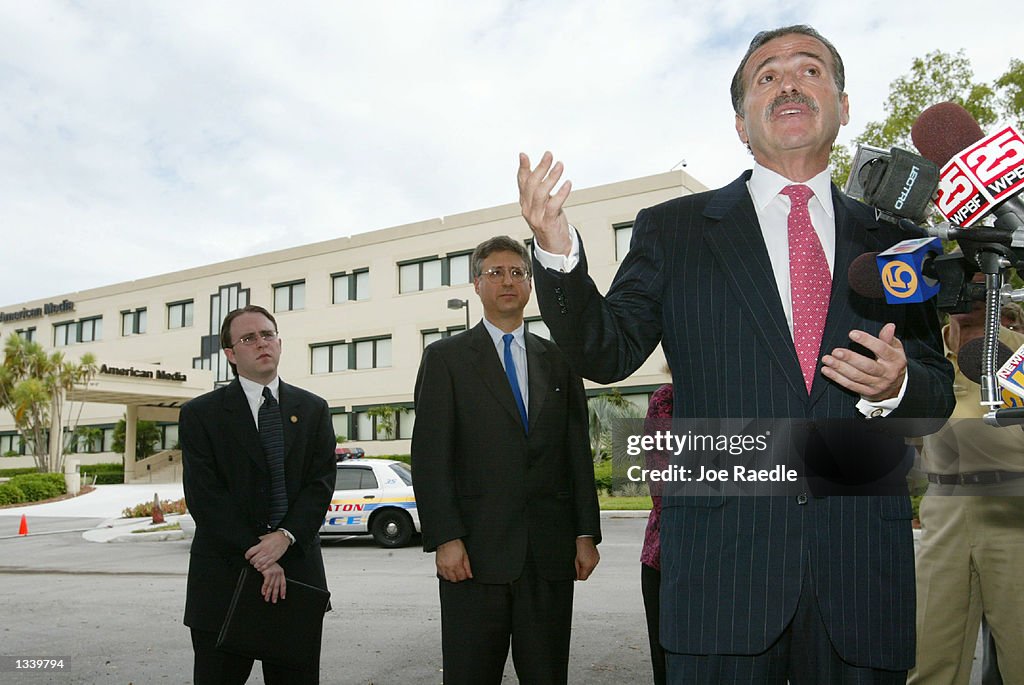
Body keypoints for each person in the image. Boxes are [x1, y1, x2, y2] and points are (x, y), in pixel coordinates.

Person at [517, 24, 954, 683]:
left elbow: (937, 394)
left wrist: (897, 387)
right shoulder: (675, 230)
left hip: (861, 575)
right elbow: (606, 350)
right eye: (766, 76)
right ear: (740, 123)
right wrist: (556, 251)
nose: (788, 82)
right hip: (723, 575)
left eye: (810, 69)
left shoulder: (894, 239)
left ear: (842, 104)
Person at [411, 235, 602, 685]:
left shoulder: (559, 360)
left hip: (549, 556)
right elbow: (431, 456)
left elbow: (576, 451)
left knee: (547, 674)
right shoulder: (445, 359)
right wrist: (446, 538)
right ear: (476, 284)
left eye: (518, 272)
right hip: (474, 558)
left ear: (530, 285)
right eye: (495, 272)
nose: (507, 281)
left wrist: (585, 533)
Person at [180, 305, 337, 684]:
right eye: (248, 338)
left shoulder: (313, 409)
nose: (261, 343)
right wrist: (262, 555)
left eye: (267, 334)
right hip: (224, 578)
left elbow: (320, 485)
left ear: (280, 342)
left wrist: (283, 539)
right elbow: (205, 497)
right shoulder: (201, 414)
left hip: (297, 576)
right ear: (231, 355)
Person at [907, 298, 1024, 685]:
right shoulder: (923, 352)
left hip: (1014, 512)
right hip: (944, 508)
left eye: (978, 275)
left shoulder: (1018, 351)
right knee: (929, 656)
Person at [641, 381, 672, 685]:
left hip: (741, 563)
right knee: (668, 667)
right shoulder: (667, 400)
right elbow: (662, 486)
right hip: (667, 560)